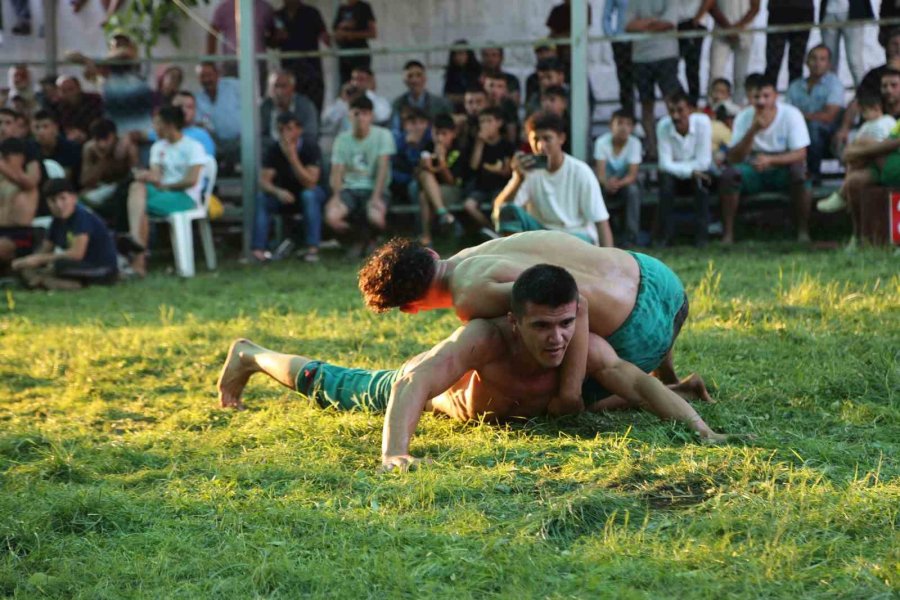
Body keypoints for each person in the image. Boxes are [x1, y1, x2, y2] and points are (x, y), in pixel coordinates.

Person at [220, 263, 733, 471]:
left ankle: (685, 392)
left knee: (620, 396)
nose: (556, 339)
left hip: (531, 412)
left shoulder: (583, 346)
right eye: (541, 328)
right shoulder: (483, 338)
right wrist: (395, 454)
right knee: (334, 384)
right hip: (440, 405)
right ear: (514, 321)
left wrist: (702, 432)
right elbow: (414, 380)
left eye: (564, 325)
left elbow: (640, 384)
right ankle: (251, 354)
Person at [357, 231, 699, 415]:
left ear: (412, 308)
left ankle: (673, 389)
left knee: (551, 386)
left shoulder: (470, 296)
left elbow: (578, 304)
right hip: (664, 282)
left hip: (641, 335)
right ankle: (669, 377)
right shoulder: (480, 251)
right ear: (432, 254)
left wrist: (569, 393)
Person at [495, 112, 612, 247]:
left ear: (561, 138)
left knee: (567, 243)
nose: (541, 146)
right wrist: (518, 179)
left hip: (574, 237)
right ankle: (511, 256)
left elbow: (601, 222)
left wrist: (609, 259)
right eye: (536, 139)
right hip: (541, 234)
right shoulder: (528, 171)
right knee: (508, 211)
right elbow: (500, 211)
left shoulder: (581, 171)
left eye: (547, 139)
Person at [718, 75, 811, 244]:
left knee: (800, 173)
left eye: (766, 96)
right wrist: (753, 130)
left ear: (775, 96)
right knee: (729, 176)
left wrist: (771, 160)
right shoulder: (744, 117)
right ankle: (728, 234)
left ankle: (803, 231)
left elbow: (800, 153)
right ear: (750, 98)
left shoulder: (791, 114)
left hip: (782, 167)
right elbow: (733, 157)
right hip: (753, 168)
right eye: (756, 97)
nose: (761, 102)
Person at [125, 106, 207, 276]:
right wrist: (146, 176)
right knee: (136, 187)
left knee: (138, 207)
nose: (153, 128)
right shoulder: (158, 147)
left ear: (169, 125)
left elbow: (192, 180)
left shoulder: (193, 147)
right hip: (162, 192)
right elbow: (157, 176)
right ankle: (137, 251)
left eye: (157, 124)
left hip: (185, 196)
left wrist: (167, 186)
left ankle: (137, 255)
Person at [11, 178, 117, 290]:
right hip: (77, 268)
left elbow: (77, 254)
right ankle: (46, 282)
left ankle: (48, 283)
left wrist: (40, 259)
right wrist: (26, 261)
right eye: (53, 200)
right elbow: (45, 250)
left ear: (73, 198)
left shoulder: (81, 217)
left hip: (100, 269)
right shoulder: (56, 222)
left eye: (63, 198)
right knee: (26, 268)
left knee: (58, 265)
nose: (59, 205)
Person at [326, 95, 395, 258]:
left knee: (376, 217)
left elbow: (383, 168)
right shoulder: (342, 139)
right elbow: (337, 171)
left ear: (371, 115)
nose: (360, 118)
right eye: (356, 113)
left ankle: (374, 241)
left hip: (375, 188)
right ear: (350, 116)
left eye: (364, 113)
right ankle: (357, 240)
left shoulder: (383, 135)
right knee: (332, 217)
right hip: (349, 189)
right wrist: (336, 196)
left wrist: (376, 196)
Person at [253, 113, 326, 263]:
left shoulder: (310, 147)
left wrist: (292, 157)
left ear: (299, 130)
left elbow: (311, 182)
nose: (285, 134)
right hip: (285, 195)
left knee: (309, 195)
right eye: (281, 130)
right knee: (262, 198)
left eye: (289, 129)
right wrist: (277, 192)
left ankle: (312, 249)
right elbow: (264, 181)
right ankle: (258, 250)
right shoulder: (274, 149)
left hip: (308, 193)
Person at [817, 92, 895, 217]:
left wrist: (860, 149)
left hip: (881, 160)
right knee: (853, 171)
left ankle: (842, 195)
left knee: (860, 145)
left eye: (864, 112)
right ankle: (846, 197)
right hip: (866, 163)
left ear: (876, 108)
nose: (863, 116)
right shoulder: (865, 126)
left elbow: (888, 142)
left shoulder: (887, 121)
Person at [656, 88, 714, 247]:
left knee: (702, 184)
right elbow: (664, 164)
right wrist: (690, 171)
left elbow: (704, 162)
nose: (675, 116)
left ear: (691, 109)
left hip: (698, 174)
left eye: (680, 110)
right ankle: (666, 236)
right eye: (671, 111)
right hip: (678, 176)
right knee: (665, 183)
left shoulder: (703, 123)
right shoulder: (663, 126)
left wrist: (685, 169)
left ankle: (701, 237)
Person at [624, 0, 681, 158]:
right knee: (646, 104)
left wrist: (643, 25)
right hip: (641, 58)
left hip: (666, 55)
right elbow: (628, 26)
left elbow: (669, 23)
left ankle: (674, 146)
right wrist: (655, 22)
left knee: (672, 101)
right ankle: (653, 148)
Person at [834, 29, 900, 152]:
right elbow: (857, 101)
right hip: (877, 129)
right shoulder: (874, 75)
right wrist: (844, 128)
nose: (898, 48)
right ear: (886, 47)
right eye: (894, 44)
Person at [786, 45, 844, 179]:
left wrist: (800, 116)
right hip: (799, 130)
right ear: (806, 62)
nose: (817, 63)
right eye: (813, 58)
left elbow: (829, 116)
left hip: (828, 132)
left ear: (829, 64)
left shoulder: (835, 84)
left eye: (822, 59)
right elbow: (787, 115)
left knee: (814, 127)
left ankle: (813, 175)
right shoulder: (795, 86)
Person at [79, 118, 138, 232]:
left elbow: (135, 173)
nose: (102, 144)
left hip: (123, 188)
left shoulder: (127, 147)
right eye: (98, 140)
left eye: (106, 139)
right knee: (79, 200)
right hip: (101, 187)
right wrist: (102, 160)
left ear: (114, 136)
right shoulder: (89, 149)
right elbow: (85, 181)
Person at [417, 113, 468, 246]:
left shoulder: (458, 150)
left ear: (453, 134)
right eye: (436, 133)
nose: (439, 138)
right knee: (424, 184)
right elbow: (419, 176)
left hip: (452, 190)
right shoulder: (427, 147)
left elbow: (451, 181)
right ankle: (443, 214)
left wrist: (441, 161)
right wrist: (425, 166)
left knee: (424, 196)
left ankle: (427, 237)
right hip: (433, 191)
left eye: (444, 133)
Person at [593, 110, 641, 246]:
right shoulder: (601, 142)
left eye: (628, 124)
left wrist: (618, 184)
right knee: (597, 191)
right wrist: (607, 183)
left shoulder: (635, 143)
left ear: (632, 128)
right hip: (606, 184)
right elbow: (600, 173)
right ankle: (600, 236)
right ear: (611, 125)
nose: (623, 128)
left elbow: (632, 175)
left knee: (633, 191)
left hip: (624, 184)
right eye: (619, 123)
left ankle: (631, 238)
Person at [462, 107, 513, 234]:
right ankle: (491, 230)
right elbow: (473, 166)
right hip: (481, 187)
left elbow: (507, 171)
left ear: (499, 123)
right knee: (469, 205)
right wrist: (480, 143)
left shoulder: (506, 144)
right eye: (482, 122)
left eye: (489, 121)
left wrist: (496, 170)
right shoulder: (476, 143)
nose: (485, 125)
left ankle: (499, 232)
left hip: (500, 186)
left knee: (497, 203)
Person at [274, 0, 330, 113]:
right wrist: (277, 37)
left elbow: (325, 38)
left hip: (311, 66)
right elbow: (271, 43)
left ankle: (314, 127)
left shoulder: (311, 13)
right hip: (289, 67)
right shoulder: (277, 15)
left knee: (314, 102)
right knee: (290, 105)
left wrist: (332, 37)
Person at [207, 0, 275, 88]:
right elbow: (212, 34)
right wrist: (209, 62)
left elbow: (273, 36)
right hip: (232, 61)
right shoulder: (224, 7)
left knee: (257, 95)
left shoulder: (265, 7)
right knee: (231, 93)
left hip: (258, 60)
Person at [0, 138, 40, 272]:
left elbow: (24, 181)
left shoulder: (28, 182)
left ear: (21, 158)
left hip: (20, 236)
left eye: (7, 157)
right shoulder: (2, 182)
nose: (4, 161)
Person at [709, 0, 760, 104]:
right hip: (721, 31)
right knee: (715, 75)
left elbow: (755, 7)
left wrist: (737, 28)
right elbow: (710, 5)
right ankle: (713, 108)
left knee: (740, 77)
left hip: (744, 32)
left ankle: (737, 108)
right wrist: (728, 28)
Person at [195, 62, 241, 168]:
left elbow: (251, 105)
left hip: (240, 140)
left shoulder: (234, 86)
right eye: (202, 76)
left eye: (209, 75)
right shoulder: (198, 98)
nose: (206, 79)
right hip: (216, 143)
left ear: (217, 74)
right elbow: (200, 123)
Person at [820, 0, 872, 88]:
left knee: (854, 61)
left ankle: (864, 97)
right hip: (829, 12)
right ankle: (831, 97)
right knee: (829, 61)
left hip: (853, 11)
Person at [391, 61, 453, 134]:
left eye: (419, 75)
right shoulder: (397, 104)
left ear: (425, 78)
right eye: (410, 76)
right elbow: (395, 131)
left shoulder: (441, 104)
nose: (415, 80)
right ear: (405, 80)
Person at [259, 70, 319, 141]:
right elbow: (258, 137)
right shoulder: (263, 108)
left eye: (283, 86)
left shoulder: (306, 107)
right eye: (275, 86)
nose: (279, 91)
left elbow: (310, 135)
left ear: (292, 88)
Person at [765, 0, 814, 86]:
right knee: (773, 62)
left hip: (803, 11)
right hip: (778, 11)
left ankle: (795, 97)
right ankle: (767, 96)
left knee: (797, 64)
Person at [676, 1, 716, 106]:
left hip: (693, 21)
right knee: (669, 67)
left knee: (692, 68)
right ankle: (683, 99)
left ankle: (693, 103)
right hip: (676, 22)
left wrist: (696, 19)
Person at [390, 107, 432, 205]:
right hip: (402, 183)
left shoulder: (431, 140)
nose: (418, 127)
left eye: (422, 122)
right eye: (413, 123)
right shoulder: (398, 142)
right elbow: (392, 171)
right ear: (405, 125)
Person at [333, 0, 378, 84]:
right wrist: (341, 31)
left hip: (360, 54)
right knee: (345, 84)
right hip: (344, 54)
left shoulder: (364, 7)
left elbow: (373, 33)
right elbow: (335, 32)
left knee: (361, 82)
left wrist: (352, 34)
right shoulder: (342, 8)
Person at [603, 0, 634, 116]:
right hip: (622, 42)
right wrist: (613, 38)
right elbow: (606, 17)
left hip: (642, 42)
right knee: (625, 82)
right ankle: (628, 116)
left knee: (643, 82)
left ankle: (642, 118)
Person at [52, 76, 104, 145]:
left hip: (93, 139)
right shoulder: (56, 107)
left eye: (71, 89)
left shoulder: (94, 101)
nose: (68, 94)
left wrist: (84, 134)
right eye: (64, 91)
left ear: (79, 88)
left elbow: (99, 121)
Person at [443, 40, 482, 112]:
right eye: (455, 54)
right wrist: (464, 98)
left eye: (461, 53)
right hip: (457, 109)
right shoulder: (451, 73)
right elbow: (447, 96)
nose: (458, 57)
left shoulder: (479, 71)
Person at [524, 41, 558, 106]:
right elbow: (529, 106)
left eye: (547, 51)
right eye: (540, 52)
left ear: (555, 52)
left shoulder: (567, 72)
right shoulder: (532, 79)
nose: (544, 55)